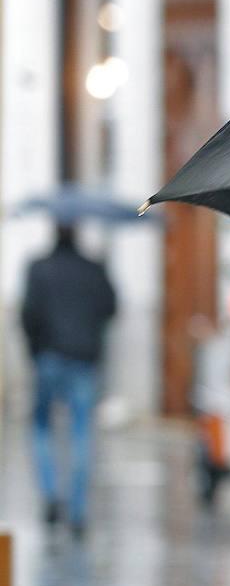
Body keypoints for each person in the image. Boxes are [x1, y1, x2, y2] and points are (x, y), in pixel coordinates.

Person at [20, 225, 116, 539]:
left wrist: (36, 351)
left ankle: (50, 494)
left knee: (41, 426)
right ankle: (77, 511)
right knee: (81, 431)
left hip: (49, 356)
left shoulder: (38, 268)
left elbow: (28, 313)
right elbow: (111, 307)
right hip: (84, 359)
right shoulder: (94, 268)